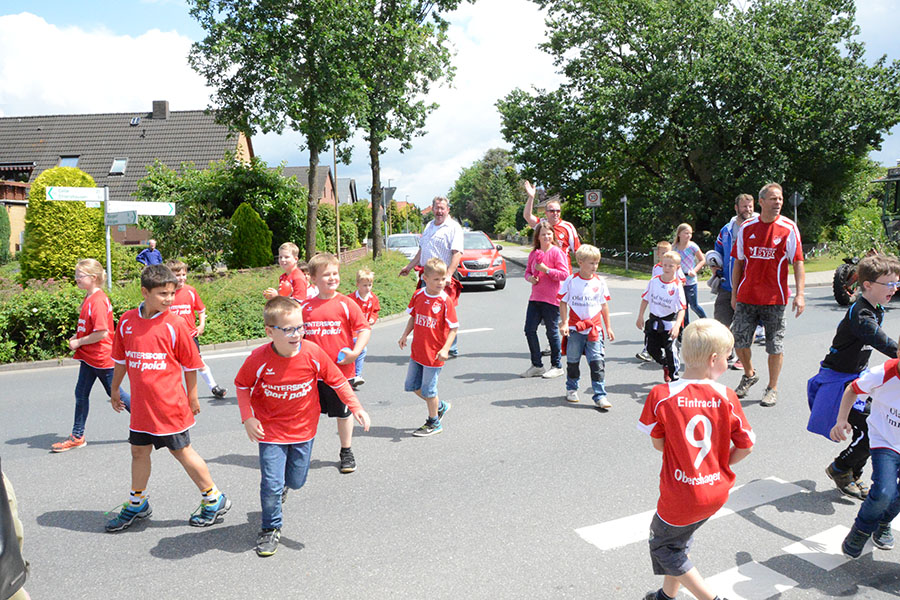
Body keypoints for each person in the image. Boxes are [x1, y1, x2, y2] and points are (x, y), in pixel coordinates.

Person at [234, 296, 371, 557]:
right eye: (288, 329)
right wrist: (247, 417)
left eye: (300, 327)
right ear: (270, 332)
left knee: (296, 481)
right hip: (270, 430)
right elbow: (242, 385)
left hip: (304, 429)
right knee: (271, 484)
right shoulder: (259, 358)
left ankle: (283, 487)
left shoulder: (312, 353)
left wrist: (356, 407)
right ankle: (270, 527)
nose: (296, 334)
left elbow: (338, 381)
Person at [105, 264, 230, 532]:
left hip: (169, 405)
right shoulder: (126, 321)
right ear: (145, 292)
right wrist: (115, 389)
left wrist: (193, 398)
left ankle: (214, 499)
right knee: (139, 451)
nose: (169, 299)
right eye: (163, 294)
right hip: (142, 406)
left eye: (172, 293)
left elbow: (191, 365)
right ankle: (137, 503)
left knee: (181, 451)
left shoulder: (175, 324)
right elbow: (121, 360)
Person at [639, 319, 755, 600]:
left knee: (664, 547)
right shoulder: (726, 396)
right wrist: (719, 463)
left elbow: (658, 443)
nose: (728, 363)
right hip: (715, 490)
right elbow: (747, 445)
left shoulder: (662, 395)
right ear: (713, 360)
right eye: (728, 357)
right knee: (679, 542)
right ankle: (666, 596)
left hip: (680, 494)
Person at [808, 255, 900, 499]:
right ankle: (840, 468)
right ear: (867, 285)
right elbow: (884, 343)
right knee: (873, 428)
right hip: (839, 381)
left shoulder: (875, 308)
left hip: (855, 377)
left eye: (897, 283)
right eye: (889, 284)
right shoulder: (861, 316)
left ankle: (852, 471)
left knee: (873, 426)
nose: (895, 289)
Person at [731, 182, 805, 406]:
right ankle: (749, 374)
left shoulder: (788, 228)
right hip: (747, 296)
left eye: (780, 199)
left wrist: (800, 294)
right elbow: (738, 262)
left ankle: (772, 387)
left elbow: (798, 262)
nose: (778, 202)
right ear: (761, 202)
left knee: (775, 346)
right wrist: (734, 293)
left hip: (775, 298)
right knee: (739, 342)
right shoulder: (747, 227)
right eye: (773, 199)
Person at [301, 253, 371, 473]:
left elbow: (364, 329)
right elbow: (295, 337)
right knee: (307, 416)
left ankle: (346, 451)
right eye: (326, 274)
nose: (332, 278)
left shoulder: (346, 303)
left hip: (341, 373)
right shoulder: (305, 308)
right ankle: (300, 454)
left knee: (343, 413)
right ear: (313, 278)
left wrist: (355, 353)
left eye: (335, 273)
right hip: (312, 375)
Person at [52, 259, 131, 452]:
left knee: (116, 394)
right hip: (89, 357)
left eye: (80, 275)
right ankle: (77, 436)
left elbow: (102, 332)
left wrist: (79, 342)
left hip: (101, 358)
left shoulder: (97, 301)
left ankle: (151, 426)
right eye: (76, 275)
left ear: (93, 277)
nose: (76, 279)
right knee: (81, 394)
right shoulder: (90, 297)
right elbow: (90, 327)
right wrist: (77, 336)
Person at [833, 355, 900, 558]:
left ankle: (883, 522)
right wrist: (841, 420)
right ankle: (861, 530)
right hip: (885, 441)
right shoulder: (884, 373)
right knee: (884, 492)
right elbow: (853, 389)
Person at [398, 258, 458, 437]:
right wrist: (405, 335)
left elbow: (454, 328)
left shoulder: (445, 300)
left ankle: (434, 422)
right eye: (436, 279)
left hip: (434, 354)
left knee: (429, 391)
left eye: (443, 279)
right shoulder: (418, 295)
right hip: (417, 351)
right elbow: (413, 316)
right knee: (411, 385)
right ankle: (440, 406)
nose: (441, 283)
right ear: (425, 278)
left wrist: (445, 349)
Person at [399, 196, 463, 357]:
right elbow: (422, 251)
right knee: (424, 311)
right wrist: (409, 266)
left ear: (447, 210)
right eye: (437, 208)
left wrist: (448, 275)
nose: (439, 211)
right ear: (432, 209)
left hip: (442, 278)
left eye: (442, 208)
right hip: (427, 276)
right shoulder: (429, 226)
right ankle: (430, 346)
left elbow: (457, 253)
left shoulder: (454, 227)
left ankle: (450, 348)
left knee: (444, 312)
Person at [558, 244, 614, 409]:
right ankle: (571, 389)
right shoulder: (571, 281)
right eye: (591, 263)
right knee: (573, 361)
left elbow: (604, 305)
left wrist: (608, 327)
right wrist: (565, 322)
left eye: (597, 263)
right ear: (580, 262)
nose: (594, 266)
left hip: (594, 330)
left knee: (597, 363)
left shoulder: (600, 281)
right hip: (575, 329)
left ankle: (600, 395)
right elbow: (563, 302)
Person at [166, 259, 226, 399]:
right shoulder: (166, 293)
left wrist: (201, 325)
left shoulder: (191, 291)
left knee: (198, 362)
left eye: (183, 274)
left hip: (190, 335)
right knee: (171, 364)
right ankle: (171, 393)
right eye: (177, 275)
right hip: (171, 337)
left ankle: (214, 387)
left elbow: (201, 309)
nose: (181, 278)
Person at [711, 194, 756, 369]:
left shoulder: (758, 227)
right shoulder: (726, 230)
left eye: (750, 206)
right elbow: (718, 250)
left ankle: (742, 358)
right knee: (720, 323)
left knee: (746, 326)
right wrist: (714, 266)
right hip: (727, 285)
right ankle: (726, 352)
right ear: (736, 208)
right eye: (744, 206)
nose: (748, 210)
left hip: (748, 287)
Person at [521, 221, 568, 379]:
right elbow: (527, 272)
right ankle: (537, 365)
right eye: (543, 234)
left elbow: (564, 274)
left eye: (549, 234)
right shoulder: (534, 254)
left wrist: (546, 270)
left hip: (552, 299)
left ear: (553, 235)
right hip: (535, 297)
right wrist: (530, 278)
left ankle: (557, 366)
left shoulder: (557, 252)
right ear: (538, 237)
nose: (546, 236)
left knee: (552, 332)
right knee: (529, 330)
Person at [636, 251, 687, 383]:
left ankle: (674, 378)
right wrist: (640, 316)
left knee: (671, 351)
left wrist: (677, 326)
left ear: (677, 268)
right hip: (654, 321)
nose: (667, 268)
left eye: (671, 266)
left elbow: (682, 308)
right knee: (651, 349)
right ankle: (665, 364)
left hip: (670, 323)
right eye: (665, 265)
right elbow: (645, 299)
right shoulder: (654, 281)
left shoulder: (677, 285)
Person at [523, 180, 580, 269]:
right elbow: (527, 216)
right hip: (544, 271)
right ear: (546, 212)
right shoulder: (542, 224)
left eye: (558, 211)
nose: (555, 213)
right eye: (552, 211)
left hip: (563, 271)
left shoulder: (568, 227)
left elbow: (577, 250)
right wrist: (531, 197)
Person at [349, 268, 380, 388]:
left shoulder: (373, 298)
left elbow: (375, 310)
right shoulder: (351, 299)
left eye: (370, 285)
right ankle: (355, 375)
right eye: (364, 285)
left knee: (358, 351)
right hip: (351, 331)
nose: (368, 288)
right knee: (361, 350)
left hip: (363, 331)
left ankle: (353, 375)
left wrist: (373, 318)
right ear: (358, 285)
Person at [673, 224, 707, 327]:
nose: (689, 235)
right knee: (683, 306)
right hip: (679, 281)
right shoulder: (674, 248)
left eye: (690, 233)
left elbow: (702, 260)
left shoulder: (692, 246)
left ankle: (706, 321)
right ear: (679, 234)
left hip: (690, 280)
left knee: (693, 305)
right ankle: (686, 327)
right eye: (686, 233)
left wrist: (694, 270)